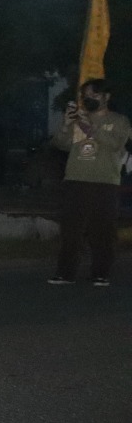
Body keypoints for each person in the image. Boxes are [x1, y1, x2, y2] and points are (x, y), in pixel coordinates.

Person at [49, 78, 131, 286]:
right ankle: (65, 273)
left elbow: (115, 144)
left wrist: (90, 126)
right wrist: (67, 125)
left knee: (103, 231)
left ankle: (100, 273)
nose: (89, 99)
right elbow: (60, 144)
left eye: (94, 95)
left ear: (106, 97)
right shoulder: (78, 121)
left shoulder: (119, 120)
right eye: (86, 97)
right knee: (71, 230)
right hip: (75, 180)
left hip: (105, 182)